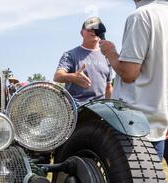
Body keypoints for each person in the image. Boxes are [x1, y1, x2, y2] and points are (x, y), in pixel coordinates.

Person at [100, 0, 168, 161]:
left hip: (134, 125)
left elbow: (129, 73)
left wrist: (110, 52)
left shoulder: (141, 16)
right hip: (159, 122)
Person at [54, 17, 114, 104]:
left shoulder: (107, 56)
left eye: (96, 29)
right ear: (82, 33)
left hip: (101, 110)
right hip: (77, 109)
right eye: (89, 29)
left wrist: (110, 106)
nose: (93, 31)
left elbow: (108, 87)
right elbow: (57, 76)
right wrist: (72, 77)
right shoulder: (70, 55)